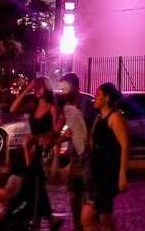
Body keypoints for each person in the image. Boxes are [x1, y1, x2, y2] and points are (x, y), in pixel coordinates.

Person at [81, 83, 130, 231]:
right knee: (104, 218)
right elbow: (91, 144)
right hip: (97, 173)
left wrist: (122, 175)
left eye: (97, 95)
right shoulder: (98, 119)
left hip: (109, 175)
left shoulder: (114, 118)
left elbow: (125, 145)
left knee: (87, 217)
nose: (94, 98)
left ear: (107, 97)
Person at [55, 74, 93, 231]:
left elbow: (89, 130)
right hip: (74, 158)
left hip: (87, 159)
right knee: (73, 198)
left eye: (65, 88)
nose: (62, 92)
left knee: (87, 201)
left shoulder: (87, 105)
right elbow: (60, 128)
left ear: (74, 87)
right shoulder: (66, 105)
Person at [11, 77, 63, 164]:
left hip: (44, 148)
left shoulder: (52, 107)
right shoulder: (33, 105)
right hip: (32, 149)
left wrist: (37, 137)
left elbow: (55, 131)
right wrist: (27, 89)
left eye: (40, 86)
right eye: (35, 87)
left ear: (47, 88)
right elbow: (12, 109)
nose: (37, 89)